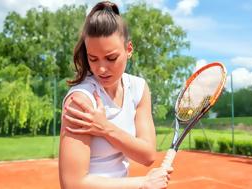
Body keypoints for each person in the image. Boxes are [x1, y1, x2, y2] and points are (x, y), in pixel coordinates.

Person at [58, 1, 172, 188]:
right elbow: (73, 184)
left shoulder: (139, 88)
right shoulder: (80, 100)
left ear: (129, 50)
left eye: (111, 58)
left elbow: (148, 155)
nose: (101, 69)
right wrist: (143, 183)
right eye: (92, 58)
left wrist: (105, 128)